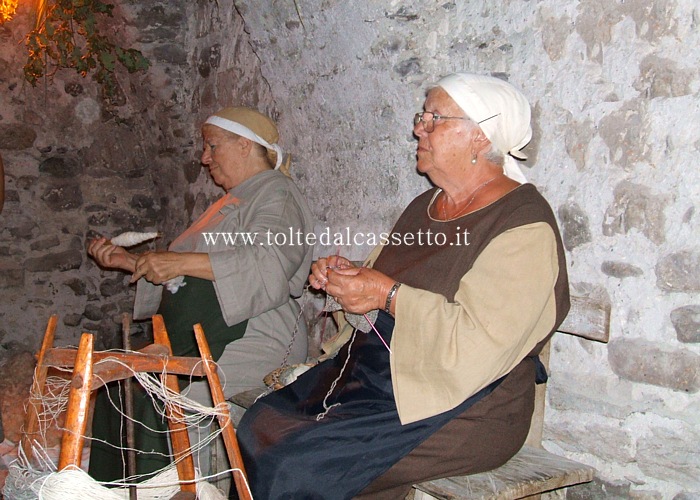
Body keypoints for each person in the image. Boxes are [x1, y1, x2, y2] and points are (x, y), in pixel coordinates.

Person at [236, 73, 570, 499]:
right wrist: (349, 277)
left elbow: (478, 343)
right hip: (383, 379)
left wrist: (386, 295)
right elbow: (397, 281)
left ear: (479, 138)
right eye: (422, 116)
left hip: (464, 406)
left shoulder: (523, 226)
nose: (418, 128)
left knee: (296, 462)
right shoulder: (425, 206)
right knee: (261, 424)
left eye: (435, 118)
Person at [87, 107, 315, 480]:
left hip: (254, 336)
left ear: (244, 145)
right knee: (121, 390)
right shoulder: (228, 203)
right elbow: (187, 272)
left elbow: (268, 262)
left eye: (211, 145)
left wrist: (177, 262)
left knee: (165, 399)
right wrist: (130, 262)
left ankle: (187, 488)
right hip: (202, 335)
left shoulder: (277, 193)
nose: (204, 157)